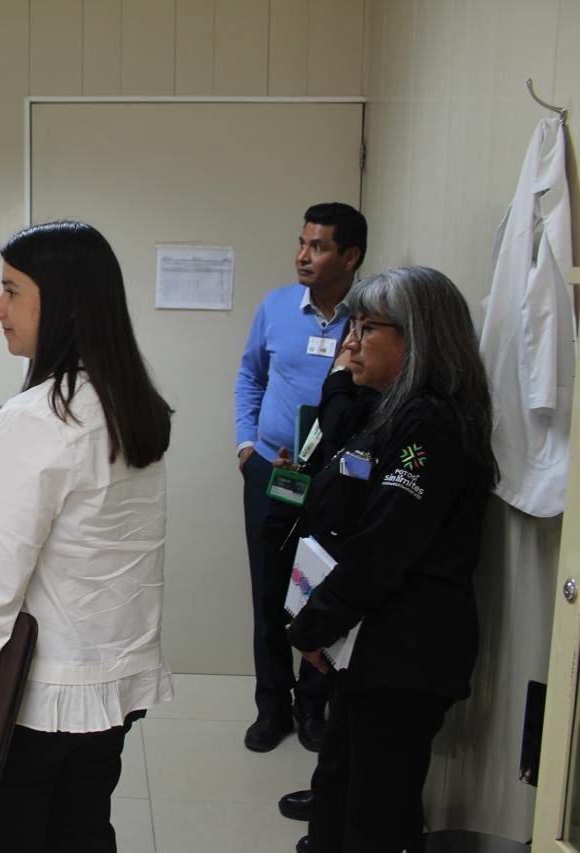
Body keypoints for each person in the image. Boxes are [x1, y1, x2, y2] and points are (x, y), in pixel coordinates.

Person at [0, 221, 175, 852]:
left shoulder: (38, 419)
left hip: (30, 704)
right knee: (82, 834)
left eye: (11, 291)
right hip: (106, 688)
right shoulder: (129, 406)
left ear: (67, 305)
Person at [284, 266, 497, 853]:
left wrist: (314, 627)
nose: (351, 343)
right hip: (369, 644)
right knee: (337, 788)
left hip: (404, 653)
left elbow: (384, 546)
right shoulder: (390, 409)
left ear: (416, 337)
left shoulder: (430, 424)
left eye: (368, 328)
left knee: (374, 814)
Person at [235, 202, 367, 752]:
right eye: (301, 242)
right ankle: (272, 706)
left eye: (318, 246)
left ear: (350, 256)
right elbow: (250, 375)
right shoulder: (276, 307)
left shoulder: (370, 318)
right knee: (269, 592)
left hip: (338, 482)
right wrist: (246, 444)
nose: (302, 256)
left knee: (321, 591)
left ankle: (313, 706)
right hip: (271, 471)